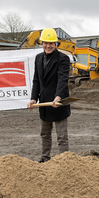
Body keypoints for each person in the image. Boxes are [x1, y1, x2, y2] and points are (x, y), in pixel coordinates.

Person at [27, 28, 71, 162]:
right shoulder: (38, 58)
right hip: (44, 103)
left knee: (61, 136)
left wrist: (58, 97)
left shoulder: (63, 59)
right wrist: (34, 98)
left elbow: (62, 79)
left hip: (58, 103)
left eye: (51, 43)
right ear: (42, 43)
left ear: (55, 44)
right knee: (45, 133)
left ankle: (64, 161)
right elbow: (36, 80)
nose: (48, 46)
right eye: (45, 43)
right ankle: (45, 158)